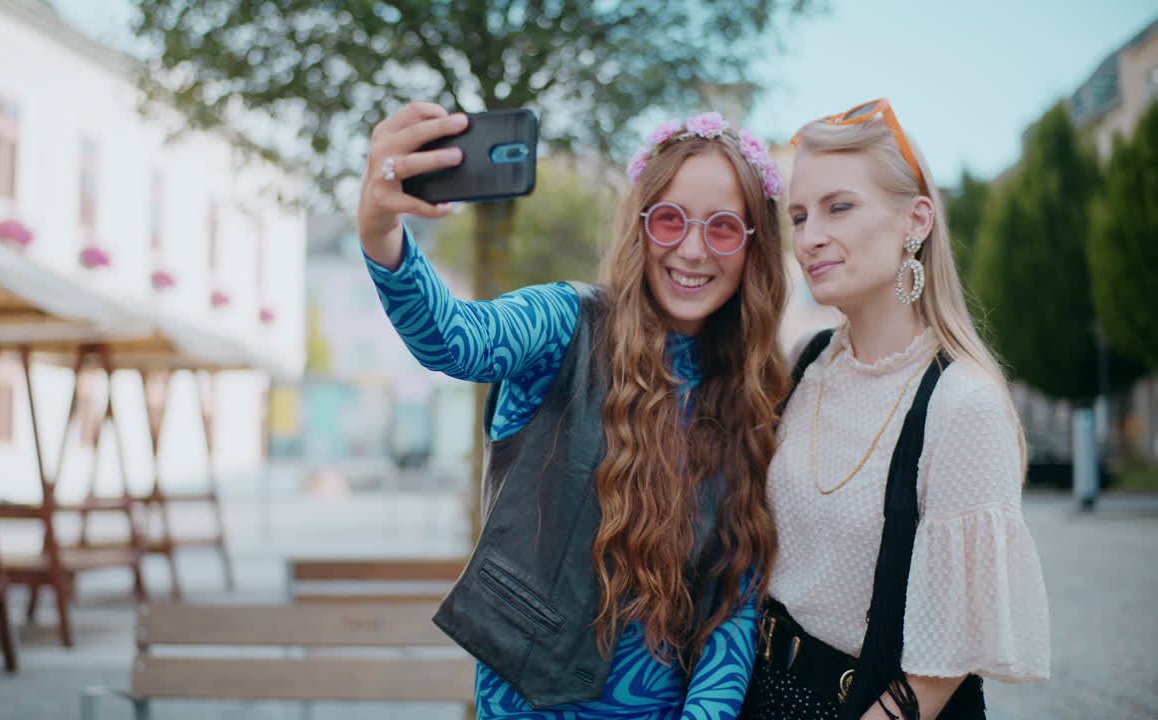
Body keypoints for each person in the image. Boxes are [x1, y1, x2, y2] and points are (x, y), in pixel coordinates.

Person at [356, 102, 790, 717]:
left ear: (753, 247)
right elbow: (453, 338)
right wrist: (380, 231)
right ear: (640, 227)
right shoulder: (567, 323)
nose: (692, 250)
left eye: (722, 227)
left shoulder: (754, 389)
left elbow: (733, 604)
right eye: (669, 220)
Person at [740, 99, 1050, 720]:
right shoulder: (808, 363)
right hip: (761, 694)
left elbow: (939, 674)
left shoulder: (963, 403)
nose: (809, 238)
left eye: (839, 207)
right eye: (798, 216)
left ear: (917, 220)